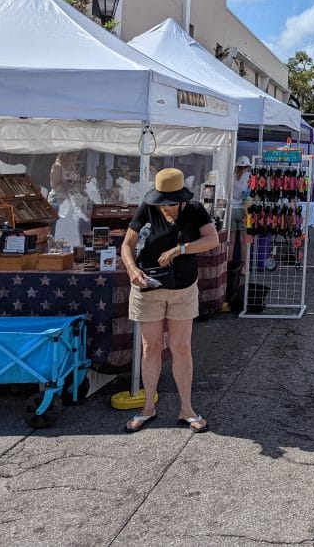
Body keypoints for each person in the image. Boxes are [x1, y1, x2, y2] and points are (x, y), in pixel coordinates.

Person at [120, 168, 219, 434]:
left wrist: (181, 249)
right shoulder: (147, 208)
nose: (167, 208)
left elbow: (212, 239)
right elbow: (127, 245)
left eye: (172, 204)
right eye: (163, 203)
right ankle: (148, 407)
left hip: (182, 287)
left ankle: (186, 408)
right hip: (149, 286)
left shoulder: (196, 209)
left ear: (182, 199)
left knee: (181, 346)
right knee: (150, 347)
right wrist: (131, 269)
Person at [230, 156, 251, 257]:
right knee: (243, 242)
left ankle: (227, 265)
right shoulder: (248, 176)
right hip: (243, 210)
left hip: (231, 210)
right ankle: (244, 268)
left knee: (230, 242)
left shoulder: (231, 176)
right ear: (246, 166)